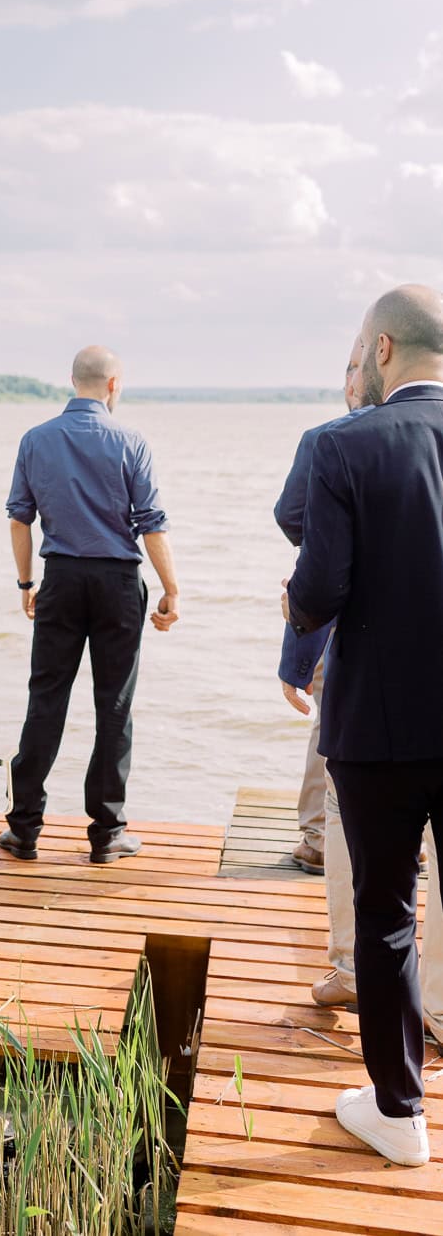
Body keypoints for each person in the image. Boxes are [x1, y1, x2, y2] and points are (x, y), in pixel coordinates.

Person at [285, 283, 443, 1167]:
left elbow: (319, 594)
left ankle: (400, 1112)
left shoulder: (343, 446)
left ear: (382, 349)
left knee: (385, 912)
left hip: (379, 727)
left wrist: (292, 602)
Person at [0, 344, 180, 866]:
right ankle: (106, 835)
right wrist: (172, 589)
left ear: (72, 380)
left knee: (46, 700)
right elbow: (152, 522)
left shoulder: (36, 439)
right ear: (114, 384)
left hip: (60, 578)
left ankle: (24, 829)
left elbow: (19, 518)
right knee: (114, 707)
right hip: (118, 584)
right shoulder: (131, 440)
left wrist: (25, 584)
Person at [274, 338, 372, 874]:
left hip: (336, 600)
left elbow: (290, 516)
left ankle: (316, 835)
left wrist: (330, 545)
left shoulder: (324, 440)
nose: (349, 381)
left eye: (352, 370)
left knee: (329, 714)